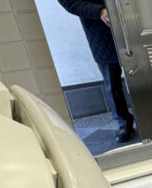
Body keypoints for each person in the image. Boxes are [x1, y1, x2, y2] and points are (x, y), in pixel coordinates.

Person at [58, 0, 135, 143]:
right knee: (112, 82)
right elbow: (71, 3)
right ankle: (124, 122)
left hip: (132, 18)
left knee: (144, 70)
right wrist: (100, 11)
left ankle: (151, 114)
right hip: (100, 28)